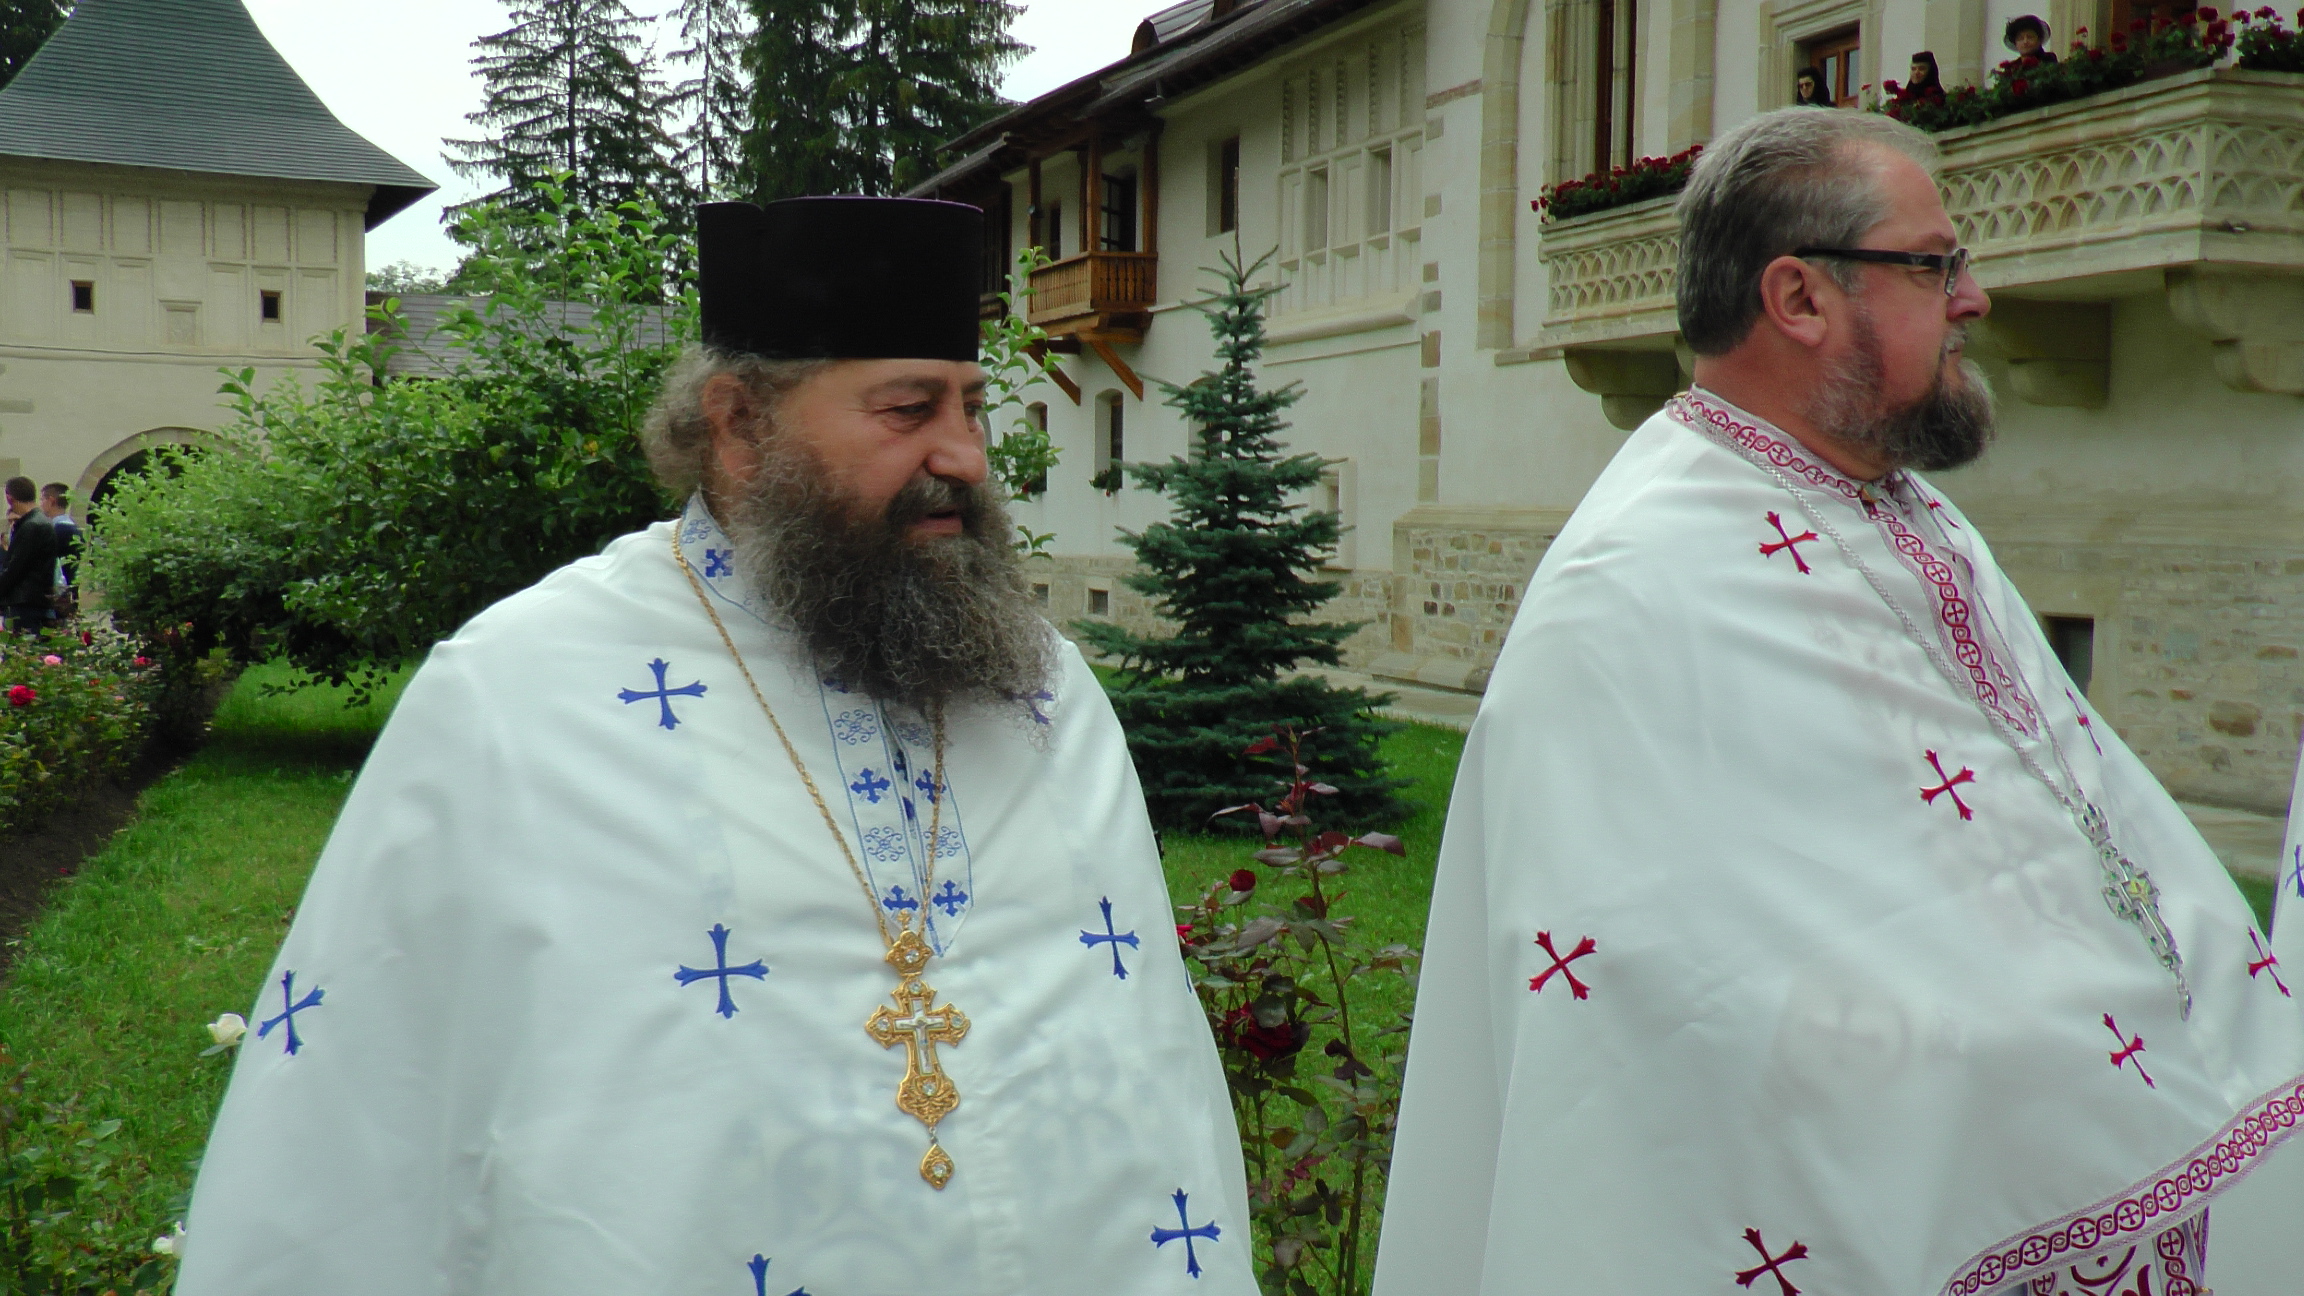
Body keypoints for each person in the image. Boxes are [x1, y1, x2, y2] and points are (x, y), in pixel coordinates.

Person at [174, 197, 1256, 1295]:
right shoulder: (521, 691)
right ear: (738, 423)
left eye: (972, 407)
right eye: (908, 409)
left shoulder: (1039, 685)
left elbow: (1149, 1052)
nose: (965, 456)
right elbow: (366, 1098)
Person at [1372, 107, 2304, 1296]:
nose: (1974, 296)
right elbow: (1669, 996)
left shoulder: (1906, 514)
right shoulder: (1637, 587)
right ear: (1800, 300)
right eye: (1935, 264)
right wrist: (2023, 1051)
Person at [0, 477, 58, 634]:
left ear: (9, 497)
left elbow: (15, 568)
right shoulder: (41, 522)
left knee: (22, 649)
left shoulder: (31, 526)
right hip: (36, 599)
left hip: (24, 602)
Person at [38, 483, 77, 611]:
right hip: (71, 592)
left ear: (51, 500)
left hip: (59, 598)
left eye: (42, 499)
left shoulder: (58, 531)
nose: (41, 504)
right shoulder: (74, 529)